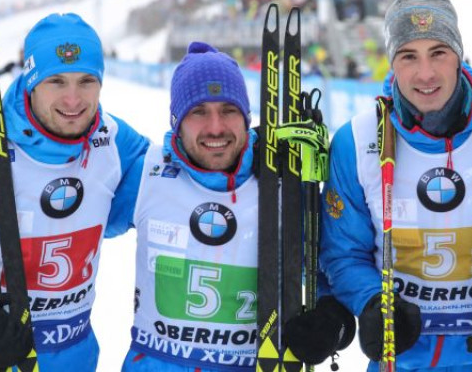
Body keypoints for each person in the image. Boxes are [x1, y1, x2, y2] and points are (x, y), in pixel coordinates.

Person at [318, 0, 472, 371]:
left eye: (438, 53)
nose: (426, 74)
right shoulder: (357, 142)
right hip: (401, 358)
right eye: (408, 56)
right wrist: (370, 302)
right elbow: (343, 252)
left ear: (459, 56)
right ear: (392, 64)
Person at [120, 41, 355, 371]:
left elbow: (332, 270)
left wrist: (335, 322)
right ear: (177, 121)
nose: (216, 127)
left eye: (228, 110)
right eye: (198, 111)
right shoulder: (146, 172)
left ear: (246, 117)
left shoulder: (283, 185)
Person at [0, 13, 148, 371]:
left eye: (86, 81)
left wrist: (251, 147)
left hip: (73, 359)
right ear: (32, 82)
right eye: (56, 81)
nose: (73, 99)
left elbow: (180, 179)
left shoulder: (114, 141)